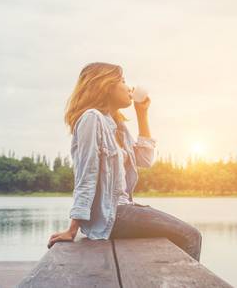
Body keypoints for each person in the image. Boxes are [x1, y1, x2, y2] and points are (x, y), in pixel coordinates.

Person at [47, 62, 202, 262]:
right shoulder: (92, 118)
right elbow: (87, 174)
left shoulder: (117, 126)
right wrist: (72, 229)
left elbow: (145, 160)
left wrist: (142, 113)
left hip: (123, 210)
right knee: (191, 236)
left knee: (186, 236)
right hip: (113, 215)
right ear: (105, 85)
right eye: (122, 80)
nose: (129, 88)